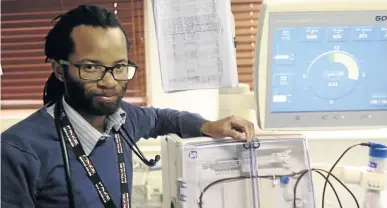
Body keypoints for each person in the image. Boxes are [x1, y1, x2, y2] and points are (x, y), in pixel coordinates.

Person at [1, 5, 255, 208]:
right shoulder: (18, 151)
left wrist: (208, 126)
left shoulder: (122, 119)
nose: (109, 81)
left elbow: (161, 118)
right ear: (59, 69)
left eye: (119, 67)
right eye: (91, 67)